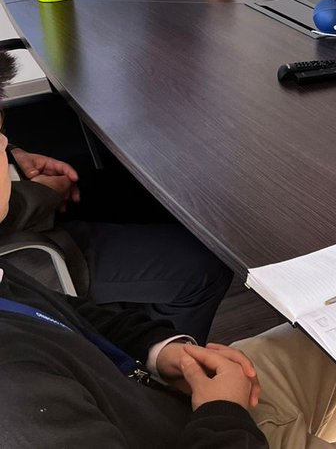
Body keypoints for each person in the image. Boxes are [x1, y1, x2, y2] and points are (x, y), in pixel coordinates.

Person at [0, 130, 336, 447]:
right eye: (0, 140)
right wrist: (222, 414)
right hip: (214, 429)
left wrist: (162, 352)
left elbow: (70, 316)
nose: (8, 150)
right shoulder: (19, 404)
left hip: (176, 402)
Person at [0, 50, 231, 342]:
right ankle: (164, 372)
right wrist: (42, 194)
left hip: (28, 208)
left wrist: (13, 154)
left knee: (136, 191)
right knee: (203, 269)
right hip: (26, 250)